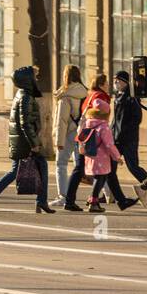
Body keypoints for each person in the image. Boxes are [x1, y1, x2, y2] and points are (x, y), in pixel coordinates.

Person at [0, 66, 51, 214]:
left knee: (30, 168)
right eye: (34, 76)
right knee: (29, 168)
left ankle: (41, 201)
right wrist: (34, 144)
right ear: (28, 80)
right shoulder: (26, 97)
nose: (36, 79)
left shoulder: (23, 94)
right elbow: (25, 123)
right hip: (25, 143)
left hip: (21, 141)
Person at [76, 104, 123, 213]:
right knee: (100, 179)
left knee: (99, 178)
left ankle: (93, 200)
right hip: (102, 158)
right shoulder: (104, 127)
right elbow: (109, 144)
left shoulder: (87, 125)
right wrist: (117, 157)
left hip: (90, 156)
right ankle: (93, 202)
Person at [111, 70, 147, 194]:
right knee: (109, 167)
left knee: (133, 167)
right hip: (116, 138)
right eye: (114, 80)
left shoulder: (132, 97)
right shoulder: (118, 96)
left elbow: (137, 118)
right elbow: (116, 120)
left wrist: (124, 133)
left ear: (125, 82)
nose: (115, 82)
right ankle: (112, 195)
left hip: (128, 139)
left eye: (118, 80)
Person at [52, 64, 86, 207]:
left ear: (66, 76)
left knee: (61, 164)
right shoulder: (84, 92)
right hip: (81, 132)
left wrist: (59, 141)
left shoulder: (65, 95)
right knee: (82, 165)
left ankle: (63, 196)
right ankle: (106, 192)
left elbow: (62, 120)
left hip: (67, 134)